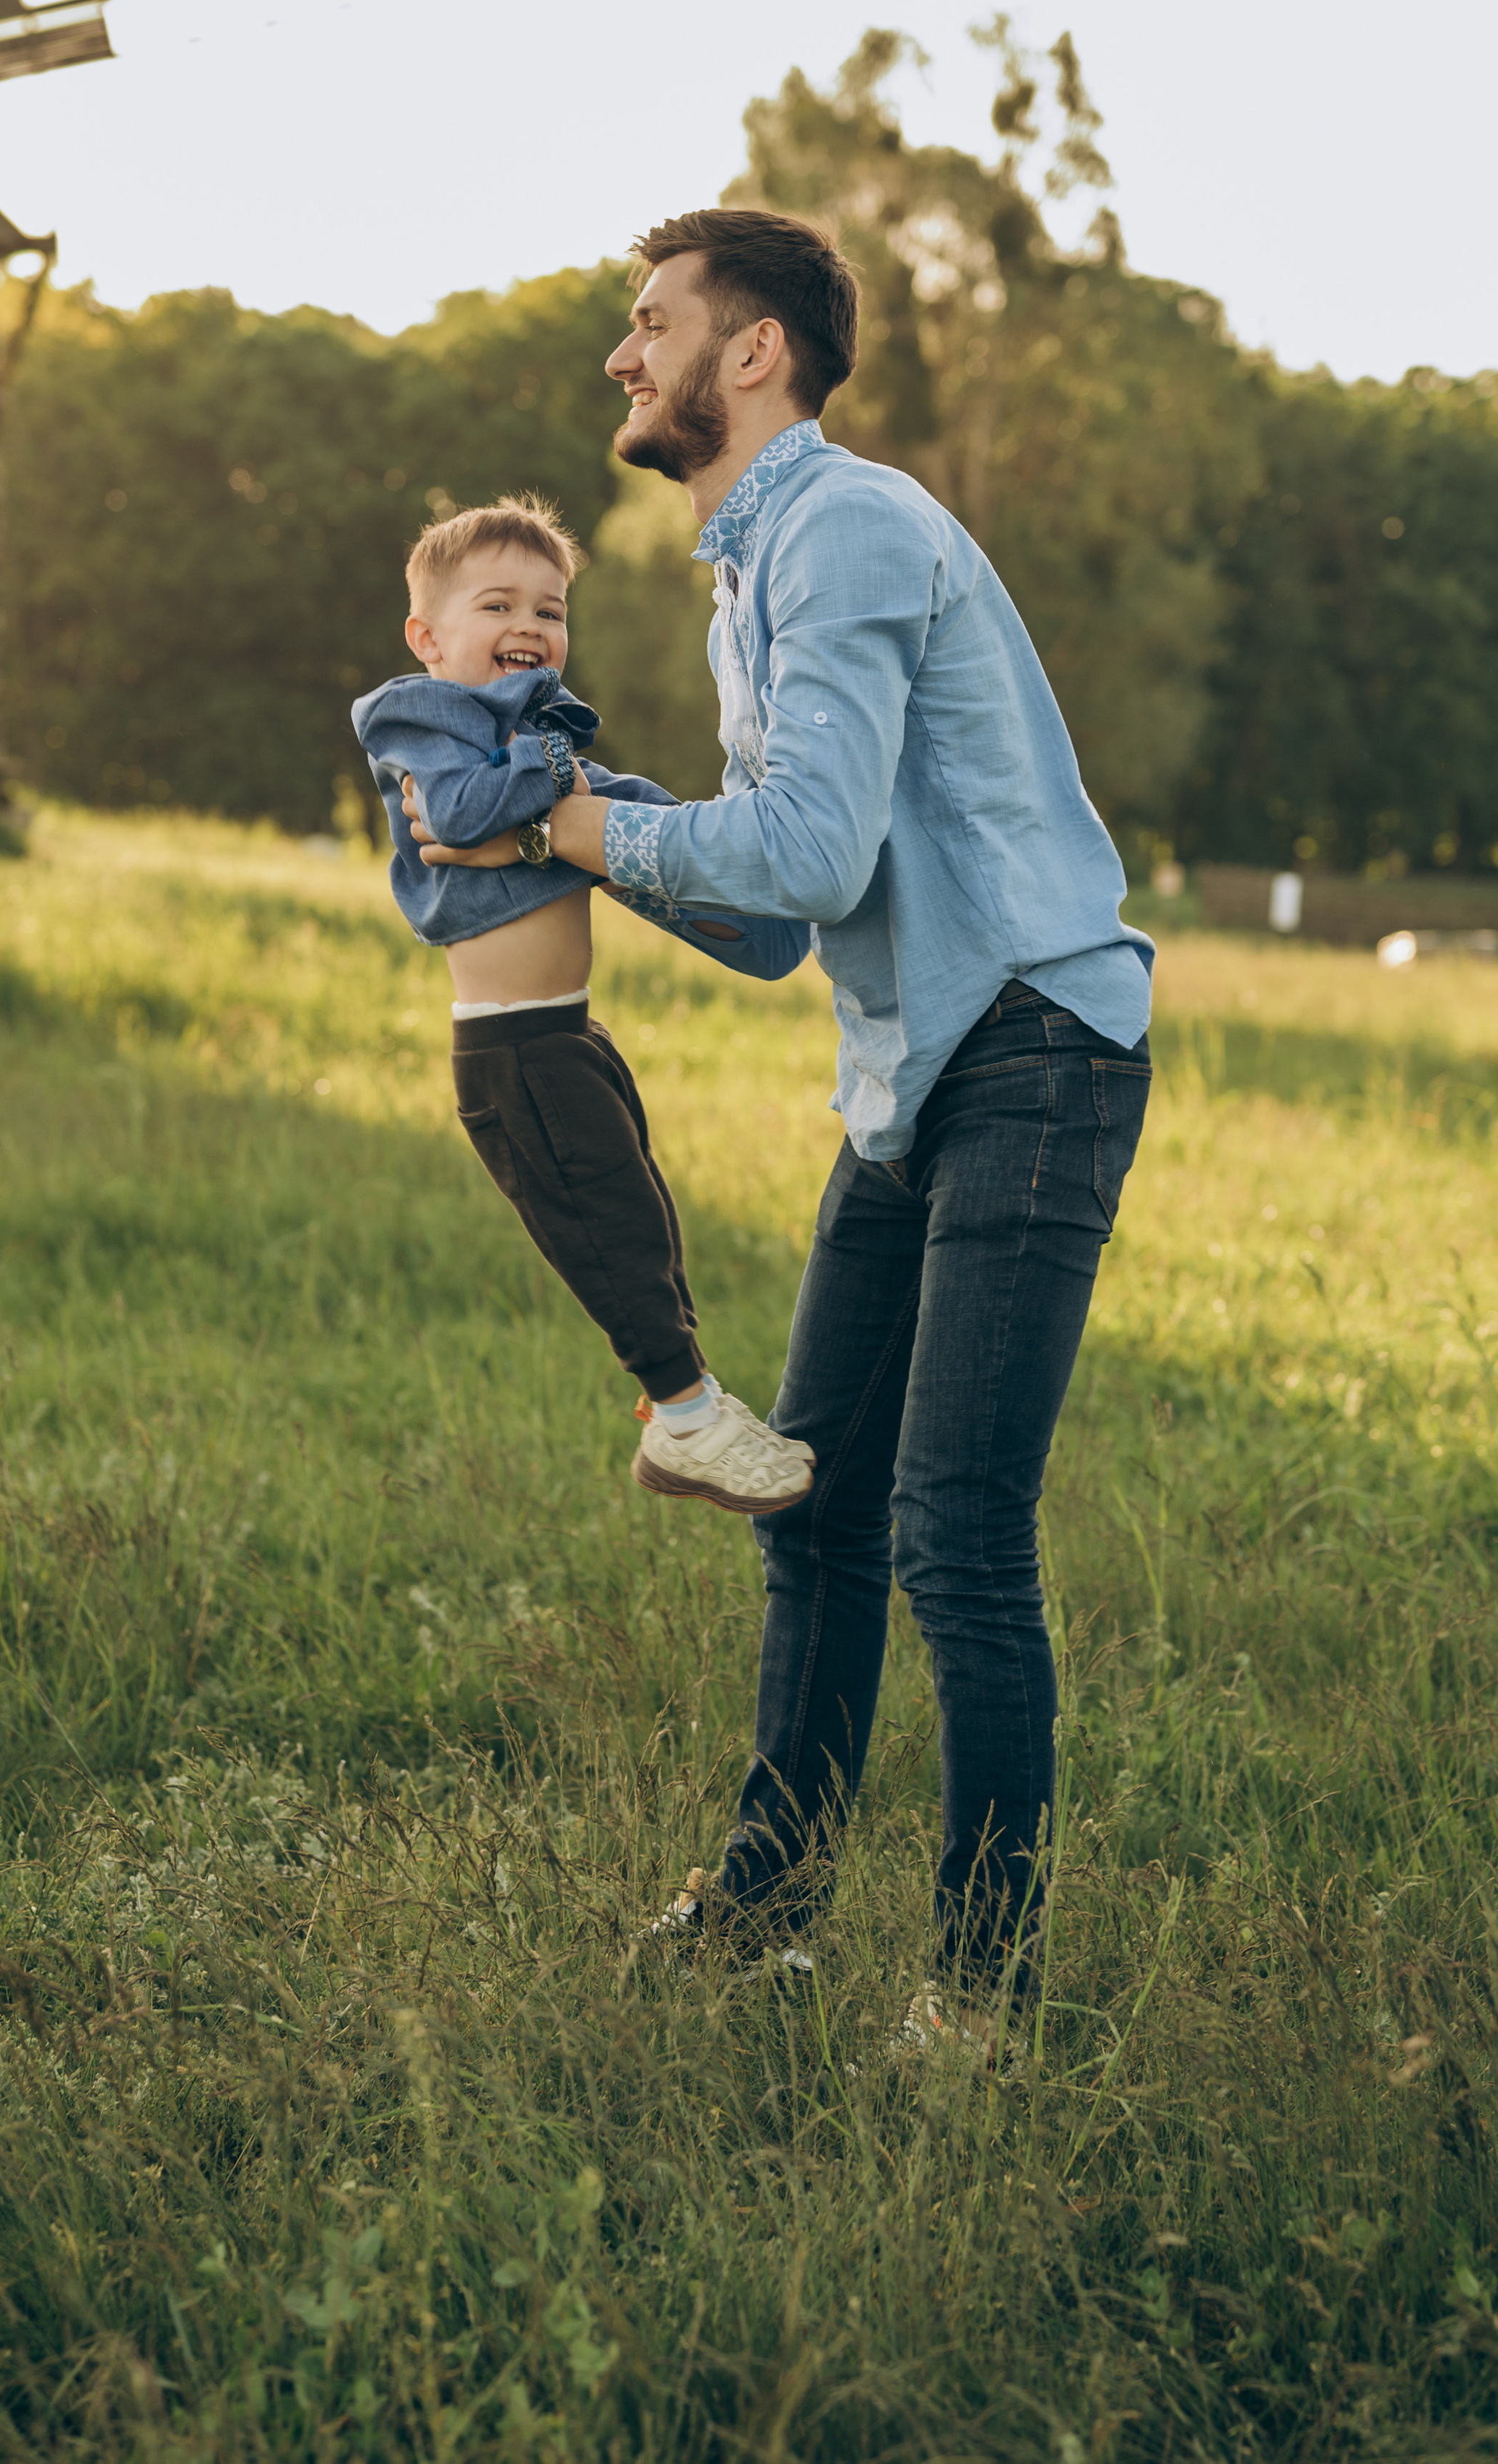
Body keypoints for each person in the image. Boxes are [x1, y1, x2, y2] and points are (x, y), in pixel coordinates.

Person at [406, 211, 1154, 2047]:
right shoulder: (748, 579)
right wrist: (570, 803)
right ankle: (772, 1896)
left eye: (644, 323)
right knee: (809, 1508)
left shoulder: (848, 530)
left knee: (953, 1533)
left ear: (748, 354)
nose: (618, 356)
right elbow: (765, 919)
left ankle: (980, 1992)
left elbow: (803, 856)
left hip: (1037, 1047)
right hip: (912, 1076)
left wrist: (572, 828)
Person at [351, 496, 816, 1517]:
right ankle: (684, 1416)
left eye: (551, 611)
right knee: (604, 1229)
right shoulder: (422, 720)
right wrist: (565, 773)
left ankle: (695, 1406)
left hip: (569, 1033)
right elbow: (466, 814)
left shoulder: (539, 739)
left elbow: (589, 819)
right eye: (498, 606)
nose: (531, 627)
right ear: (428, 638)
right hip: (512, 1051)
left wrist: (677, 827)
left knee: (639, 1215)